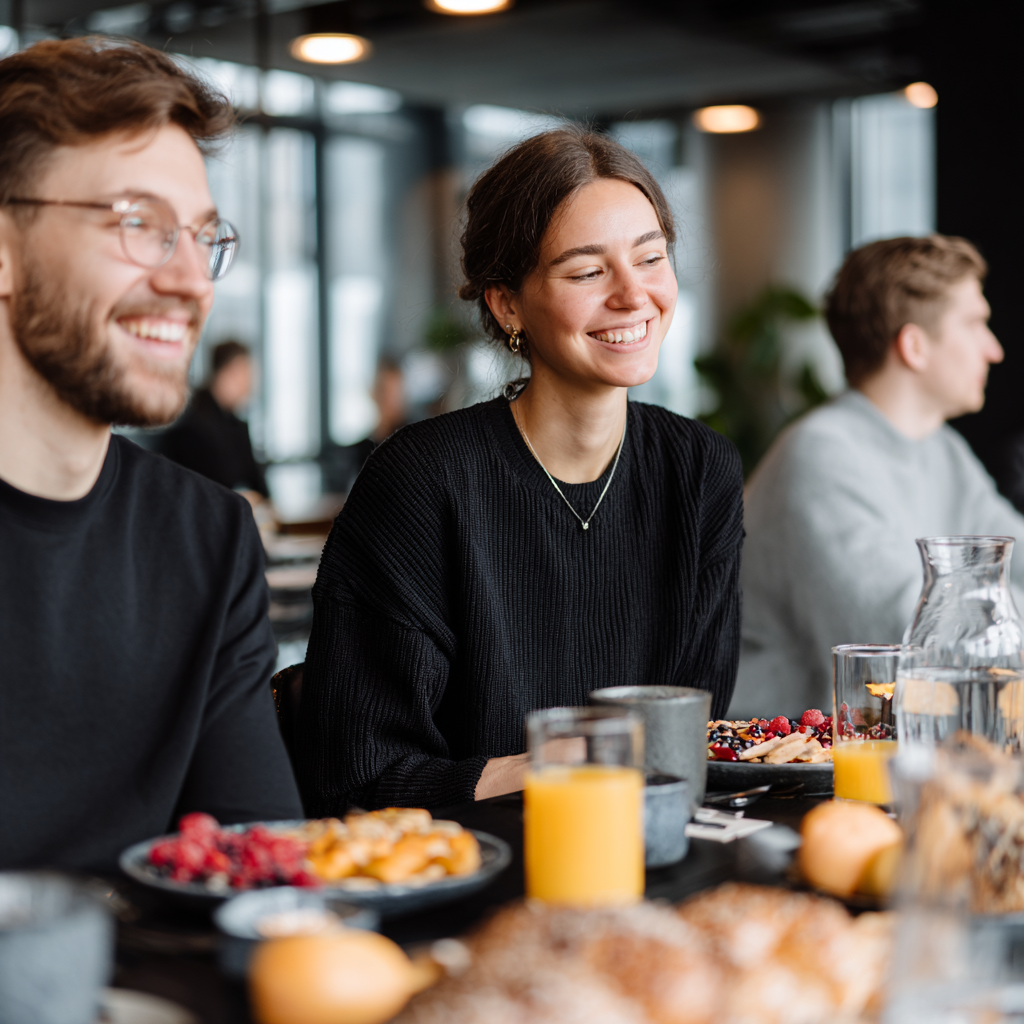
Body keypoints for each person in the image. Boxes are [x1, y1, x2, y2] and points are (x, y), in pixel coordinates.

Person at [297, 127, 744, 813]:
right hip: (461, 873)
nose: (633, 295)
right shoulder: (423, 481)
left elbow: (685, 749)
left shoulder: (699, 472)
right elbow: (362, 777)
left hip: (648, 860)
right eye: (588, 271)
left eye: (650, 258)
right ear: (508, 304)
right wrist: (562, 765)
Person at [0, 37, 302, 872]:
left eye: (203, 237)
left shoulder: (208, 538)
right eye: (139, 224)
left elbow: (257, 875)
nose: (192, 279)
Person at [733, 235, 1024, 719]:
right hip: (791, 772)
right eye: (975, 324)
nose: (993, 349)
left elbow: (1010, 555)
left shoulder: (941, 449)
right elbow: (913, 640)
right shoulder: (821, 455)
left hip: (890, 746)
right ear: (914, 347)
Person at [159, 339, 268, 503]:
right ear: (230, 372)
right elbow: (200, 489)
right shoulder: (193, 425)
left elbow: (258, 484)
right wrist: (240, 499)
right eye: (246, 374)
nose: (250, 385)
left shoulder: (236, 425)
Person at [320, 357, 407, 494]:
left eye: (394, 392)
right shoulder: (363, 449)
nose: (389, 399)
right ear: (373, 392)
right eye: (384, 391)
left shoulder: (413, 444)